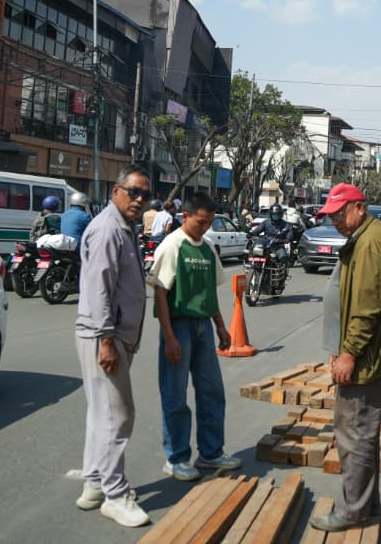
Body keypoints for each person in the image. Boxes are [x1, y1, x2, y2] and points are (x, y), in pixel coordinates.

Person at [309, 184, 381, 533]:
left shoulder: (368, 243)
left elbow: (366, 309)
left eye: (340, 213)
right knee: (362, 430)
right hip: (370, 351)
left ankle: (352, 511)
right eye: (330, 215)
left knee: (353, 431)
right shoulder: (369, 234)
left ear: (359, 207)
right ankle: (367, 503)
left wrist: (349, 353)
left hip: (367, 354)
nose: (335, 220)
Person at [73, 167, 152, 528]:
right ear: (116, 191)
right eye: (133, 192)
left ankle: (93, 483)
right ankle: (115, 495)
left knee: (101, 412)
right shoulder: (108, 229)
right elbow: (98, 289)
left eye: (144, 195)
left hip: (113, 333)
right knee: (118, 416)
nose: (138, 200)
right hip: (106, 335)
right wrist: (106, 339)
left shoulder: (124, 226)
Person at [148, 193, 242, 479]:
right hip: (178, 326)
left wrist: (221, 327)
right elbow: (161, 292)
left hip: (203, 326)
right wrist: (169, 336)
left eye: (210, 222)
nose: (205, 227)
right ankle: (176, 458)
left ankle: (211, 453)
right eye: (201, 222)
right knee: (175, 395)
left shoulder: (208, 248)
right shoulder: (173, 245)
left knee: (212, 391)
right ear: (185, 216)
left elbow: (209, 291)